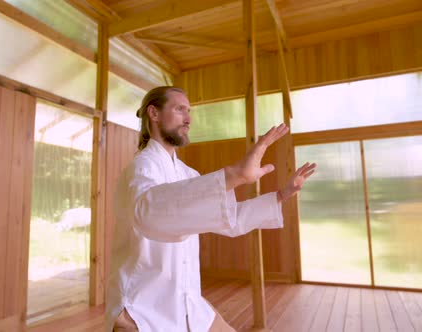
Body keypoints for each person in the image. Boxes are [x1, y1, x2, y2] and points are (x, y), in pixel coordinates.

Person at [106, 86, 316, 332]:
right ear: (154, 113)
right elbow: (148, 214)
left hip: (187, 303)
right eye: (179, 109)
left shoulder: (187, 173)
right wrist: (234, 175)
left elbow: (230, 218)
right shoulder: (141, 168)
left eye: (189, 110)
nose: (188, 118)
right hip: (142, 310)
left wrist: (280, 195)